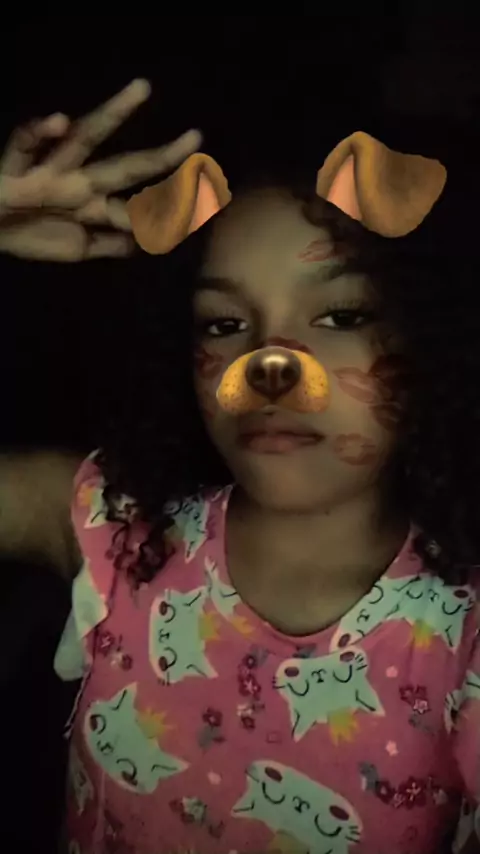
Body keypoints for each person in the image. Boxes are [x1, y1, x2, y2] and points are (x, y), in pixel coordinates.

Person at [0, 81, 478, 854]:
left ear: (428, 342)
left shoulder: (465, 635)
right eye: (224, 323)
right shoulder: (114, 529)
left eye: (341, 315)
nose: (269, 366)